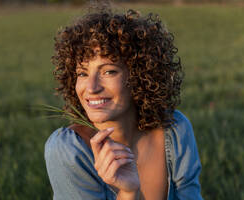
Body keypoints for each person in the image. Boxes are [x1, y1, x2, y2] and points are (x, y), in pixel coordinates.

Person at [44, 3, 203, 200]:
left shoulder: (175, 130)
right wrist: (128, 193)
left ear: (140, 76)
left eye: (108, 71)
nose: (91, 88)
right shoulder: (67, 151)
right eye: (82, 73)